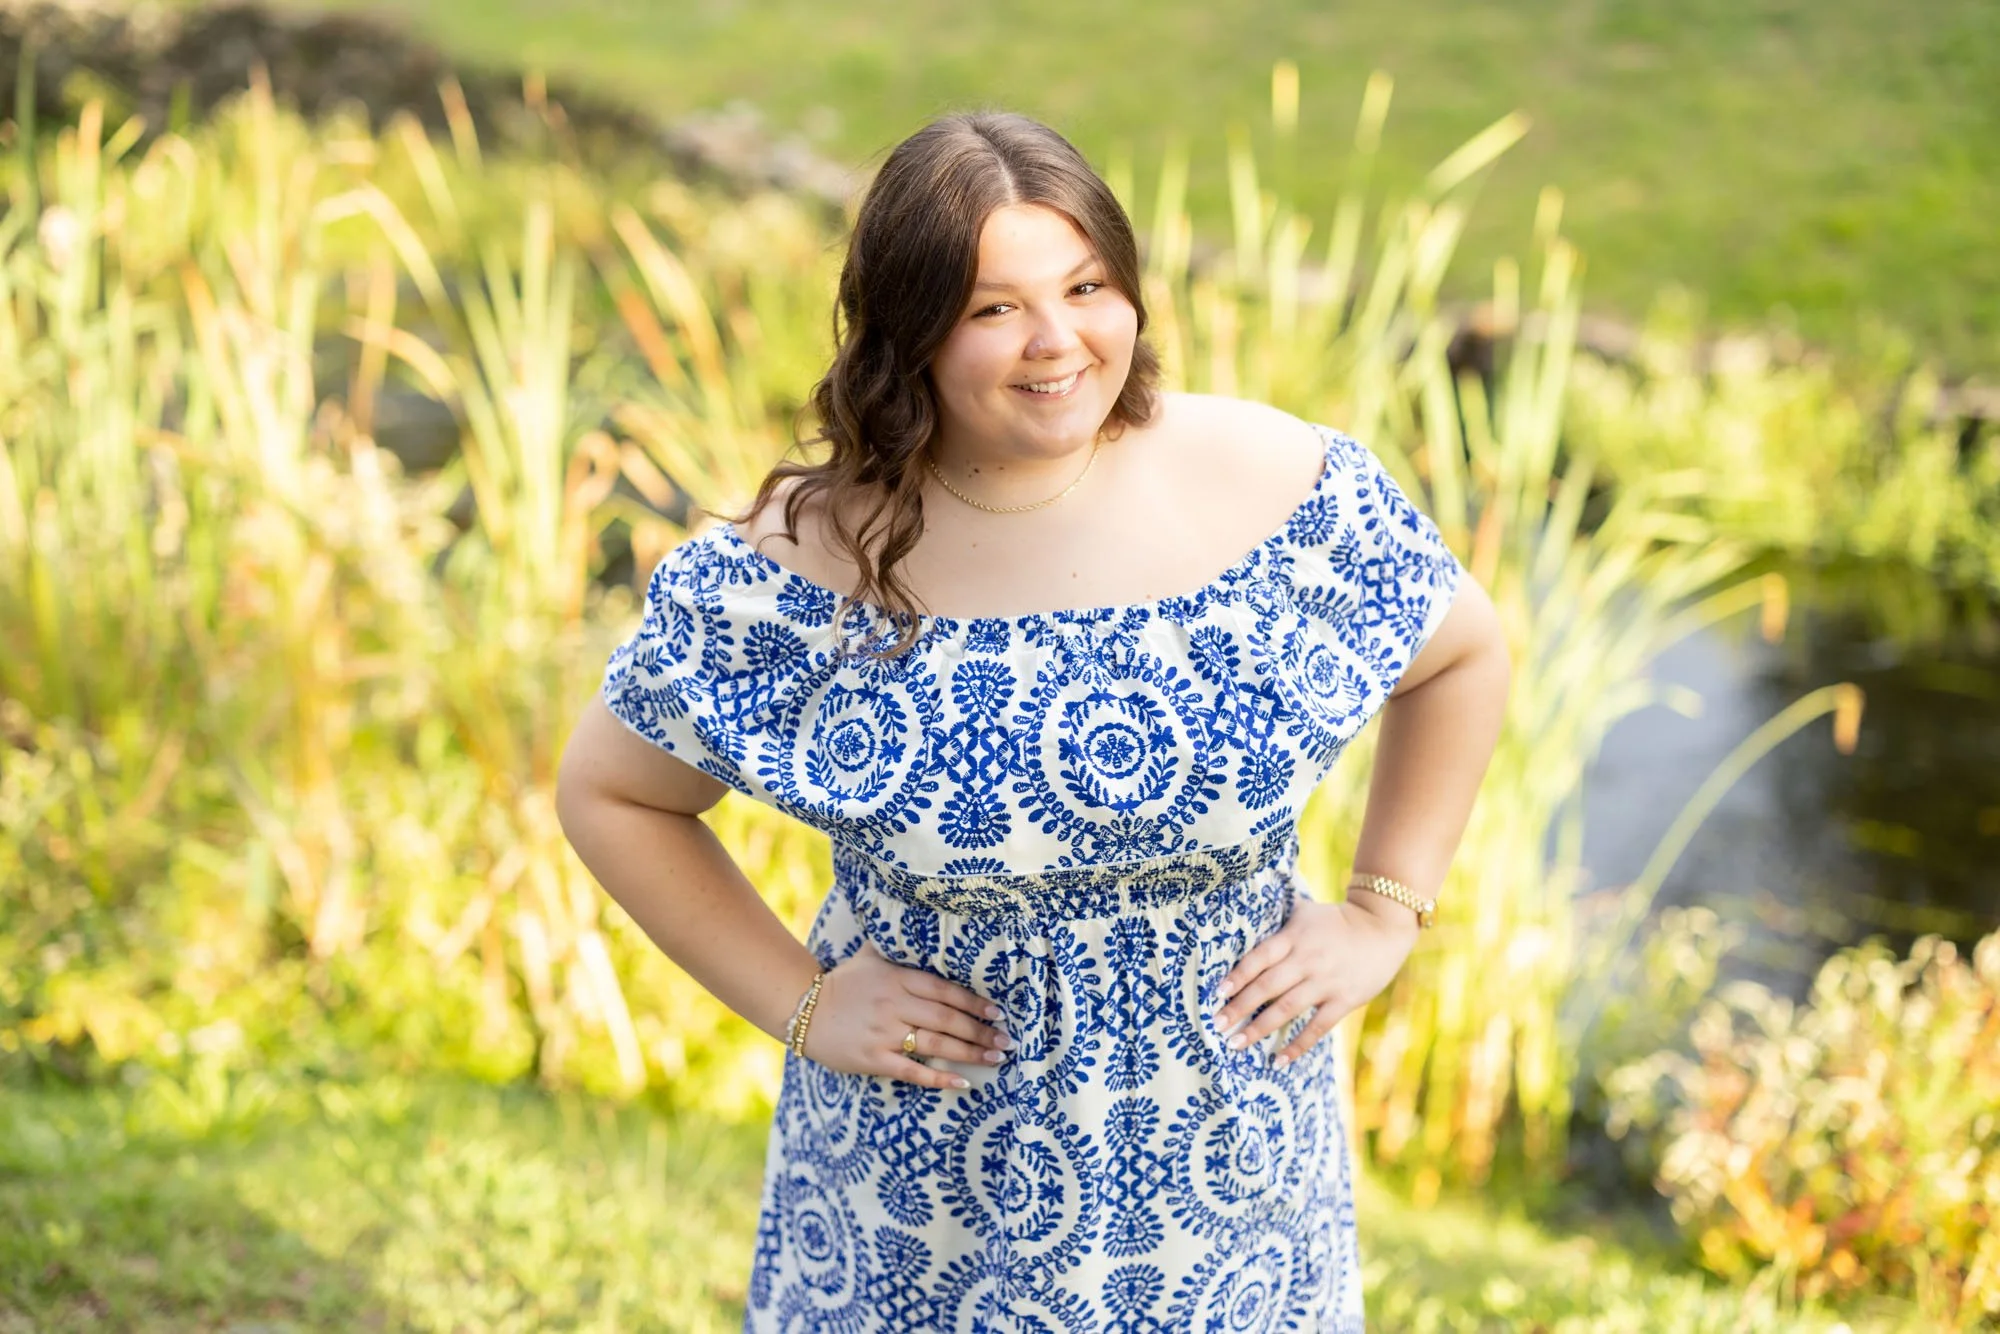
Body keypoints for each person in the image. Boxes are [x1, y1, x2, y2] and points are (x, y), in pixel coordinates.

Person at [556, 109, 1509, 1333]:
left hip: (1226, 1173)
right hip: (926, 1186)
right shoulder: (803, 560)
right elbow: (615, 790)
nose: (1055, 342)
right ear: (907, 330)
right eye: (993, 306)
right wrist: (804, 1000)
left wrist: (1383, 912)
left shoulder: (1269, 480)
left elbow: (1458, 650)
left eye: (1086, 284)